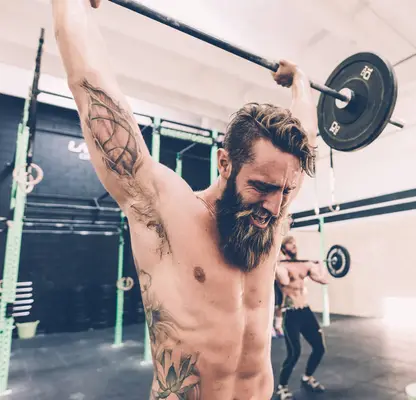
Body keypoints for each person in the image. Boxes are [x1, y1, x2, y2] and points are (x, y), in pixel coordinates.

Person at [51, 0, 318, 398]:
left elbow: (307, 139)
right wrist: (72, 7)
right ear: (224, 163)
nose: (276, 206)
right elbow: (91, 86)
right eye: (261, 187)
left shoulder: (270, 209)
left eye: (284, 191)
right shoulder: (166, 209)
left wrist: (303, 84)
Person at [275, 236, 329, 399]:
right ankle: (282, 387)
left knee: (319, 348)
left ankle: (307, 377)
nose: (294, 246)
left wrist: (321, 265)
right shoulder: (279, 267)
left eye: (295, 243)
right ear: (284, 249)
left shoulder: (304, 265)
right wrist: (277, 264)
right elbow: (284, 280)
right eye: (290, 244)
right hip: (290, 313)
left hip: (305, 312)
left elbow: (323, 280)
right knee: (294, 353)